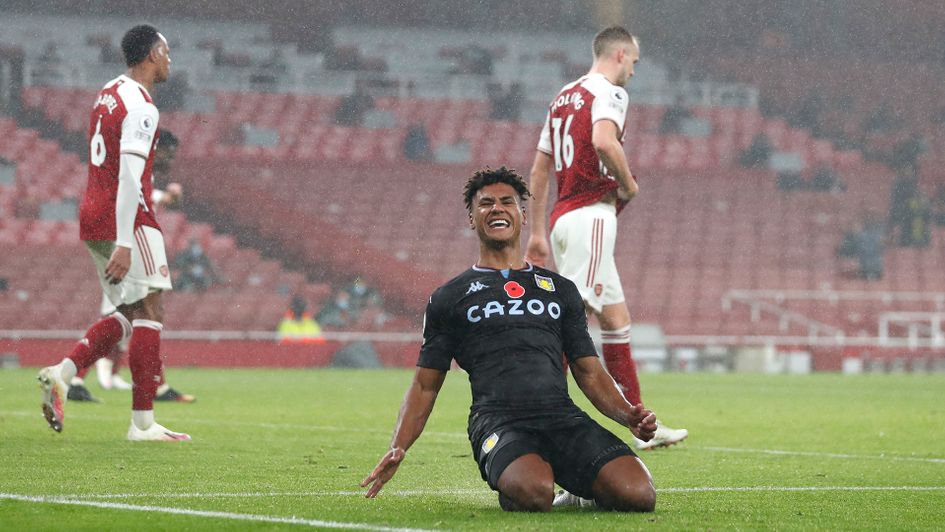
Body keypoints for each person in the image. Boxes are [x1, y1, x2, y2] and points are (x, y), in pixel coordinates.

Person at [361, 168, 658, 512]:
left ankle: (578, 489)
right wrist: (398, 446)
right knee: (535, 494)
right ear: (472, 219)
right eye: (486, 203)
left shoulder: (560, 290)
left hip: (562, 418)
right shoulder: (449, 298)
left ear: (522, 215)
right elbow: (425, 385)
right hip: (498, 422)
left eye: (507, 202)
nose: (497, 209)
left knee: (638, 494)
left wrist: (627, 415)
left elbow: (589, 371)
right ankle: (522, 479)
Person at [524, 26, 687, 459]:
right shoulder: (610, 92)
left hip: (564, 219)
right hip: (591, 215)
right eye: (633, 62)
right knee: (573, 319)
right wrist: (628, 183)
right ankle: (534, 418)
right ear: (619, 55)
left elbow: (539, 169)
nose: (633, 71)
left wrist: (537, 232)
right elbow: (602, 140)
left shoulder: (563, 97)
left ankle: (641, 425)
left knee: (616, 319)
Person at [36, 24, 190, 441]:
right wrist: (125, 240)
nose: (170, 59)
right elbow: (128, 176)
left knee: (130, 311)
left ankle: (63, 372)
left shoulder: (107, 92)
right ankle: (142, 423)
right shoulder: (142, 106)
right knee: (152, 312)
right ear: (152, 54)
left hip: (93, 213)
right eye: (166, 51)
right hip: (130, 219)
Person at [68, 129, 195, 404]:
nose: (170, 160)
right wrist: (165, 197)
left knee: (136, 318)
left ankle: (75, 377)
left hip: (120, 245)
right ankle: (72, 375)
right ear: (156, 148)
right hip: (124, 249)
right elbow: (132, 196)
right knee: (143, 315)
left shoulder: (140, 170)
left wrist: (164, 197)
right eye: (168, 153)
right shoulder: (136, 166)